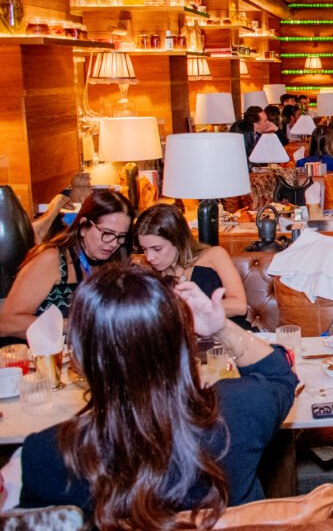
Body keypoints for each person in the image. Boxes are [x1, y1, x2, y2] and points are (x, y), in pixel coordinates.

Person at [17, 265, 296, 525]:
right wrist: (220, 326)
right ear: (184, 342)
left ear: (79, 359)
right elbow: (279, 375)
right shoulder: (241, 411)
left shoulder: (46, 455)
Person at [0, 189, 134, 340]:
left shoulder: (112, 262)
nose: (114, 243)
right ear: (84, 227)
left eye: (121, 236)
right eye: (107, 233)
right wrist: (72, 326)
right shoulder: (52, 259)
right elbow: (7, 323)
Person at [136, 204, 251, 329]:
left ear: (178, 240)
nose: (149, 257)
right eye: (144, 249)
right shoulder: (152, 275)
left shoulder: (214, 255)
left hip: (231, 333)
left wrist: (189, 309)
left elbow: (239, 306)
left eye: (157, 249)